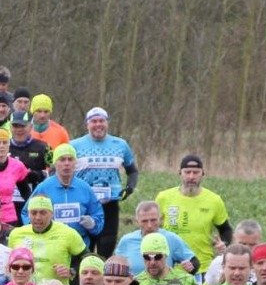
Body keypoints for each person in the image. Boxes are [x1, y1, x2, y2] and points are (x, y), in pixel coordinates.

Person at [68, 107, 137, 253]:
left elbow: (132, 171)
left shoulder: (120, 144)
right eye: (94, 121)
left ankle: (104, 275)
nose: (98, 124)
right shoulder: (74, 145)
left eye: (101, 121)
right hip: (84, 203)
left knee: (106, 248)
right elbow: (62, 171)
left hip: (109, 203)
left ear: (107, 123)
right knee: (83, 250)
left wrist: (129, 188)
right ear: (87, 124)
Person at [155, 154, 232, 271]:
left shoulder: (214, 200)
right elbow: (153, 229)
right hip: (170, 268)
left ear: (203, 174)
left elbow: (225, 229)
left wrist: (224, 244)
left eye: (196, 172)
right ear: (180, 173)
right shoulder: (163, 197)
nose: (191, 176)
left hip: (203, 267)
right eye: (187, 172)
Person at [24, 143, 103, 251]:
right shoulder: (44, 187)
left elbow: (98, 216)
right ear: (55, 163)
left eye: (70, 159)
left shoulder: (85, 188)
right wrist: (37, 224)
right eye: (62, 159)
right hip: (50, 245)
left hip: (79, 245)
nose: (66, 163)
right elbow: (26, 212)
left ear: (75, 163)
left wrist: (92, 224)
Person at [7, 195, 85, 285]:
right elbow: (8, 265)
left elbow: (88, 257)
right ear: (28, 214)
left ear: (51, 214)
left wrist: (72, 271)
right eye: (33, 213)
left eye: (43, 213)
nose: (38, 217)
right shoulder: (16, 234)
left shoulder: (68, 233)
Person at [202, 220, 266, 285]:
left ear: (260, 242)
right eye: (242, 244)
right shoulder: (219, 263)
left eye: (252, 245)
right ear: (234, 239)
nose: (247, 249)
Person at [114, 201, 197, 275]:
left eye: (153, 220)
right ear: (137, 222)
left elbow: (194, 262)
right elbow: (115, 268)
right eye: (144, 221)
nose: (149, 225)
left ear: (160, 219)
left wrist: (191, 266)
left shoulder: (171, 238)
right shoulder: (127, 241)